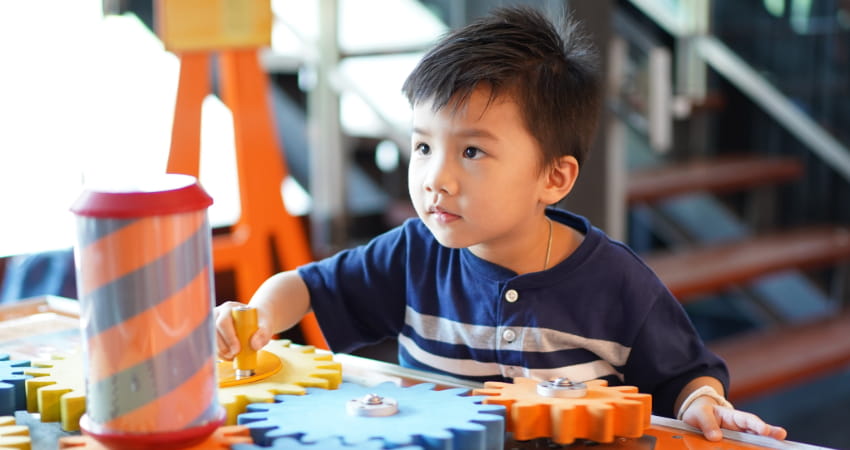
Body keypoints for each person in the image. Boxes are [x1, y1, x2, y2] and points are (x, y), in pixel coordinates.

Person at [215, 5, 787, 442]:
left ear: (554, 178)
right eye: (422, 147)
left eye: (471, 153)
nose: (436, 178)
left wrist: (701, 404)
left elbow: (687, 377)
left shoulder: (616, 282)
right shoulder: (414, 254)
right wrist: (256, 317)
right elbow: (306, 287)